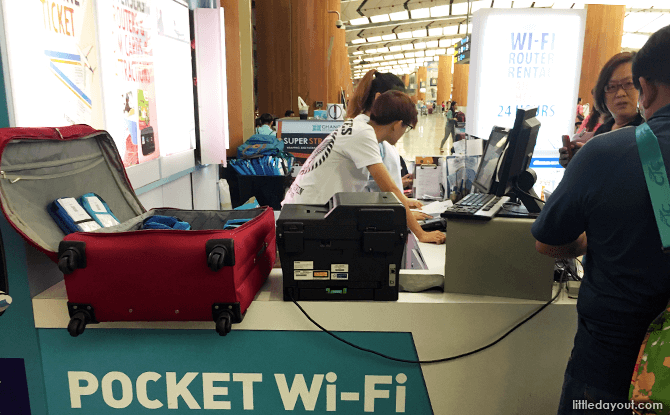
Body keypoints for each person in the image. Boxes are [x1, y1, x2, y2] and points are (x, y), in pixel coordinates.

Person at [532, 25, 670, 414]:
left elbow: (548, 242)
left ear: (647, 87)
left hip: (612, 366)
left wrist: (589, 240)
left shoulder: (608, 152)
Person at [283, 74, 444, 245]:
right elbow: (390, 189)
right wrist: (421, 234)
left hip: (301, 211)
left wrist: (405, 206)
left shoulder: (359, 127)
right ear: (398, 124)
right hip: (304, 218)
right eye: (408, 127)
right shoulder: (364, 135)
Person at [559, 52, 645, 168]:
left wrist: (591, 158)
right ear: (602, 94)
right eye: (611, 87)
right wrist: (577, 161)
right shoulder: (604, 129)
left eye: (628, 83)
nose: (620, 93)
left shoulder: (647, 134)